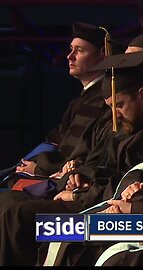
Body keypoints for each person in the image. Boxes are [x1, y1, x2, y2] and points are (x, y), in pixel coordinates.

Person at [0, 53, 143, 266]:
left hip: (102, 205)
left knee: (17, 215)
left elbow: (133, 179)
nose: (115, 114)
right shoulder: (125, 121)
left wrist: (78, 194)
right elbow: (97, 162)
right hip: (89, 193)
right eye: (110, 107)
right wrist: (77, 174)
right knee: (6, 201)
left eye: (119, 105)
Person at [10, 21, 110, 180]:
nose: (70, 56)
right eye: (71, 49)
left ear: (102, 56)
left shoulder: (101, 100)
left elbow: (78, 153)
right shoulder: (84, 97)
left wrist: (41, 169)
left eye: (80, 50)